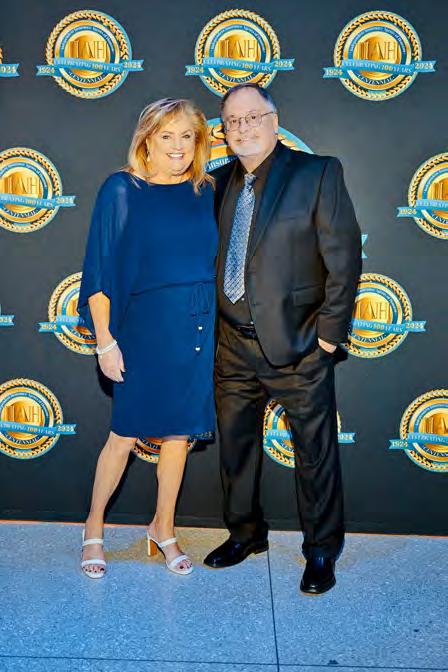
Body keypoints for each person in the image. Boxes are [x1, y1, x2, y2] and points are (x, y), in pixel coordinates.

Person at [204, 84, 362, 595]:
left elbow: (344, 259)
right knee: (235, 449)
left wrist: (328, 338)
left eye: (253, 116)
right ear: (223, 131)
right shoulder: (215, 183)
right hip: (232, 345)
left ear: (274, 120)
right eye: (232, 120)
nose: (243, 127)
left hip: (299, 346)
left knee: (315, 455)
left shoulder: (317, 173)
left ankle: (321, 550)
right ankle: (245, 533)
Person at [77, 98, 217, 578]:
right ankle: (94, 526)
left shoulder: (205, 190)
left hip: (195, 325)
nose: (178, 146)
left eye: (187, 136)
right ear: (147, 140)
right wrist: (105, 340)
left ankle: (164, 527)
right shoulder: (121, 189)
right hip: (141, 328)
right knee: (124, 433)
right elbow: (99, 270)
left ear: (198, 142)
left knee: (178, 435)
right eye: (166, 135)